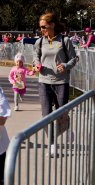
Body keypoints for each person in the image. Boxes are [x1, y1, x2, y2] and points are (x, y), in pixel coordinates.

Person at [33, 12, 77, 157]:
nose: (42, 30)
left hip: (61, 82)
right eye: (40, 27)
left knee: (61, 113)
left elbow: (74, 59)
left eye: (44, 26)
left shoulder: (64, 40)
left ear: (52, 25)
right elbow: (36, 57)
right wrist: (37, 64)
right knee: (46, 115)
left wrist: (65, 65)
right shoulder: (39, 42)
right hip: (44, 81)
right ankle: (52, 144)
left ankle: (67, 127)